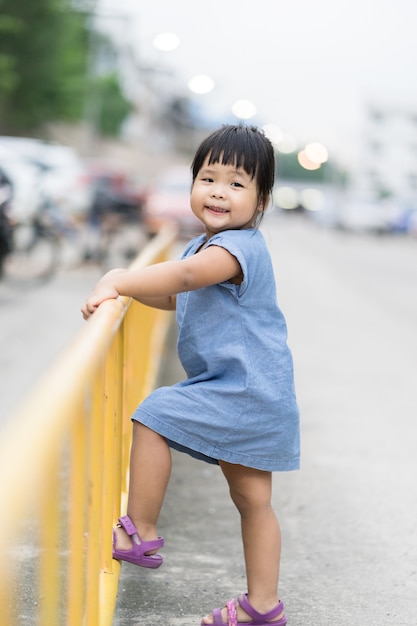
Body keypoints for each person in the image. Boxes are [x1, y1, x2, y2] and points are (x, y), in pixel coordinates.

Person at [81, 124, 300, 626]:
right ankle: (262, 607)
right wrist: (131, 291)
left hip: (242, 391)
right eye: (208, 177)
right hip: (253, 393)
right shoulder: (204, 244)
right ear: (192, 184)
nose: (219, 191)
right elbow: (175, 295)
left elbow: (184, 279)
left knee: (154, 413)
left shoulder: (238, 248)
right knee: (253, 501)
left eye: (238, 183)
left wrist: (117, 277)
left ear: (261, 198)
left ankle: (140, 528)